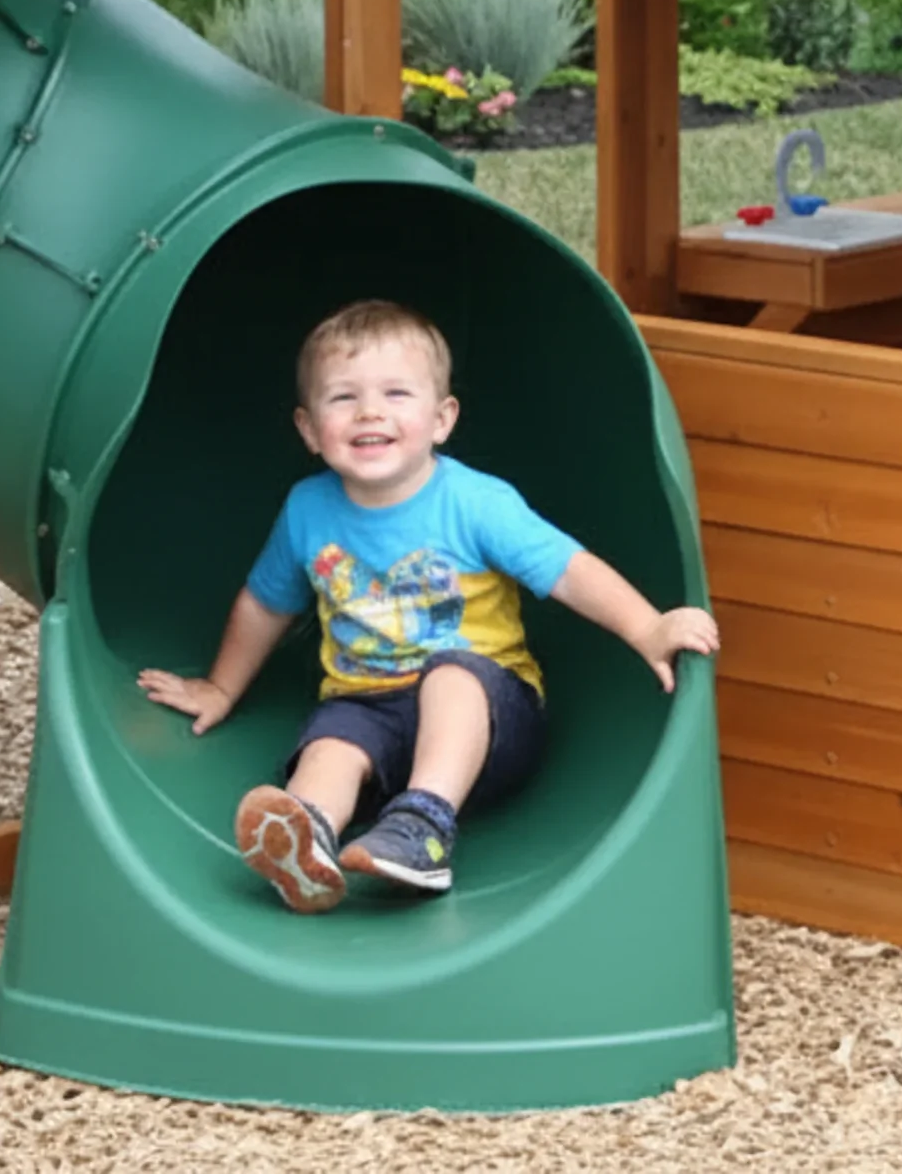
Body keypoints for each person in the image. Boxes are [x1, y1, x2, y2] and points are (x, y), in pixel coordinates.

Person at [137, 296, 719, 912]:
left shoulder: (475, 503)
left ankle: (424, 828)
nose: (369, 412)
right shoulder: (307, 510)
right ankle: (308, 842)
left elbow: (567, 571)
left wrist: (648, 627)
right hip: (370, 704)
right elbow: (264, 604)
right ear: (308, 429)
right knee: (331, 743)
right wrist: (222, 688)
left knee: (452, 672)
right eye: (342, 398)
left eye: (396, 394)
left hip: (490, 719)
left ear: (442, 419)